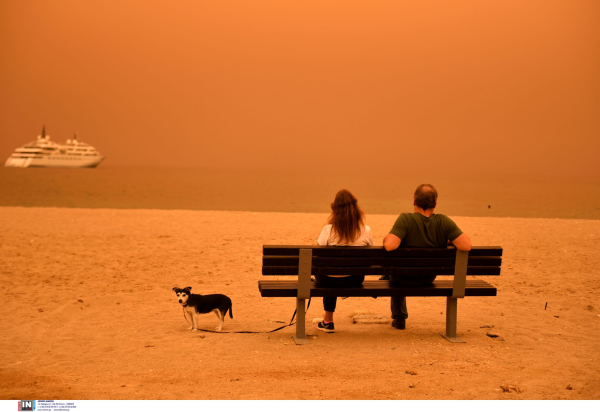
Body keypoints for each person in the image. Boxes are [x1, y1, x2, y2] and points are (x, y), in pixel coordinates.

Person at [383, 184, 471, 330]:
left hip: (402, 278)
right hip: (427, 278)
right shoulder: (443, 222)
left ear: (414, 201)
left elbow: (389, 246)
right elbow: (466, 245)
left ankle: (399, 317)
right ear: (435, 204)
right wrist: (447, 241)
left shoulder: (405, 219)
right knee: (395, 271)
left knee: (394, 271)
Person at [315, 189, 373, 333]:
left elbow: (316, 254)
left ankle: (328, 321)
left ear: (335, 210)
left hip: (328, 280)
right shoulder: (365, 230)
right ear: (355, 209)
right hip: (354, 279)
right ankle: (327, 319)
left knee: (328, 273)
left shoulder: (328, 230)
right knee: (334, 271)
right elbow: (370, 256)